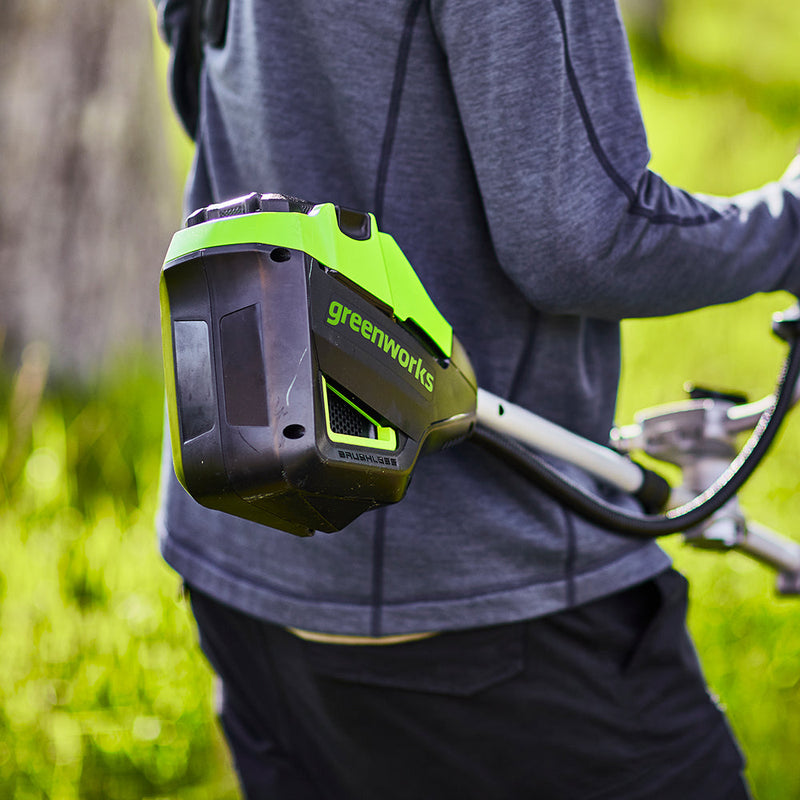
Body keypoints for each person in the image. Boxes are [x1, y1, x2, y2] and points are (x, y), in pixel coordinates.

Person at [153, 1, 800, 797]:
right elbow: (580, 240)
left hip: (237, 558)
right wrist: (790, 227)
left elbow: (195, 75)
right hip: (476, 594)